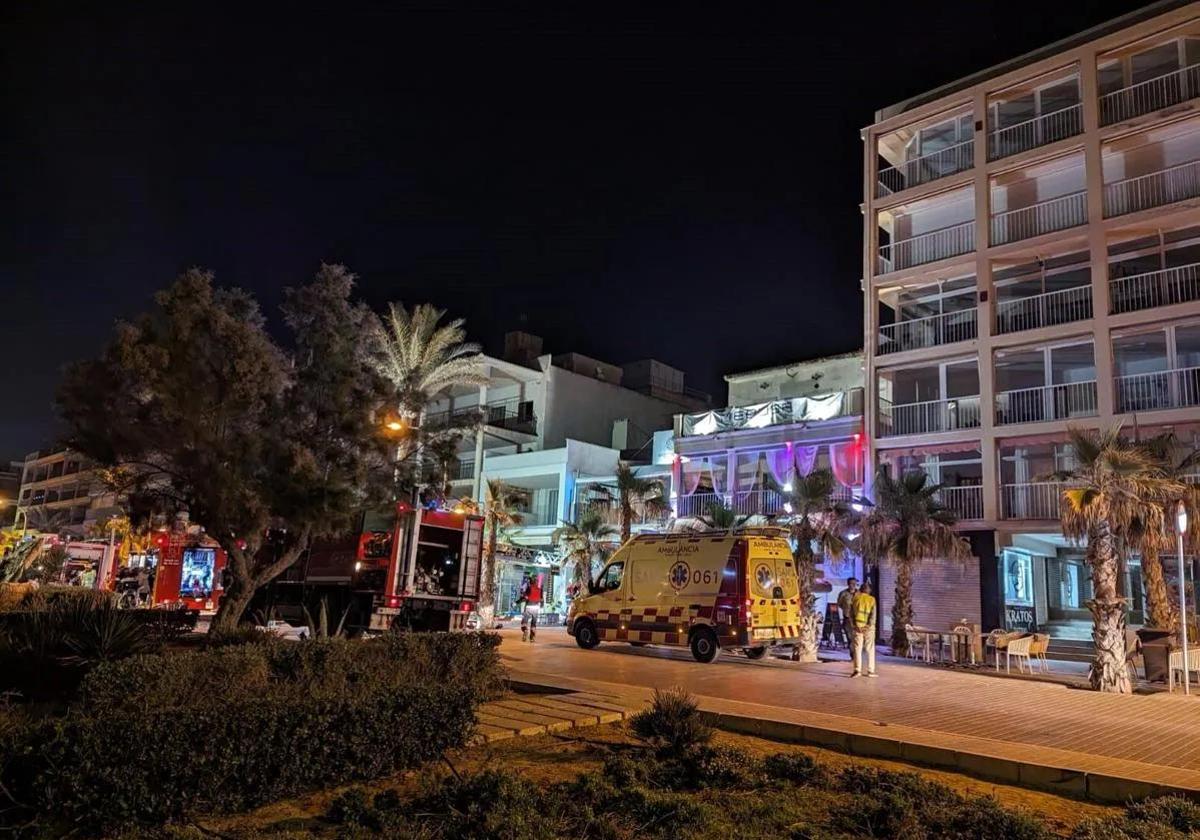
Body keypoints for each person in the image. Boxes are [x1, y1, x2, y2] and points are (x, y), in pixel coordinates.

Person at [850, 580, 877, 678]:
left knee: (857, 648)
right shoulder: (872, 600)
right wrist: (868, 626)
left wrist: (854, 625)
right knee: (869, 648)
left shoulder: (855, 598)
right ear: (868, 590)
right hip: (869, 629)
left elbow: (851, 614)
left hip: (857, 627)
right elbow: (873, 616)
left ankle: (857, 670)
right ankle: (871, 671)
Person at [520, 573, 543, 643]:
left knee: (524, 621)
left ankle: (525, 630)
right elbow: (542, 599)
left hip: (528, 606)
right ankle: (532, 638)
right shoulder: (540, 588)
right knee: (533, 623)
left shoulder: (529, 587)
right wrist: (541, 605)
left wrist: (517, 602)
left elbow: (525, 597)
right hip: (536, 608)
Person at [836, 577, 858, 650]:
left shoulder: (859, 593)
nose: (854, 585)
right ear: (848, 584)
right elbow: (839, 604)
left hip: (858, 618)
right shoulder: (843, 593)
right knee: (850, 637)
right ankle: (853, 655)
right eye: (852, 583)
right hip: (848, 617)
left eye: (855, 583)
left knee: (857, 638)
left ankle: (858, 655)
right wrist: (846, 609)